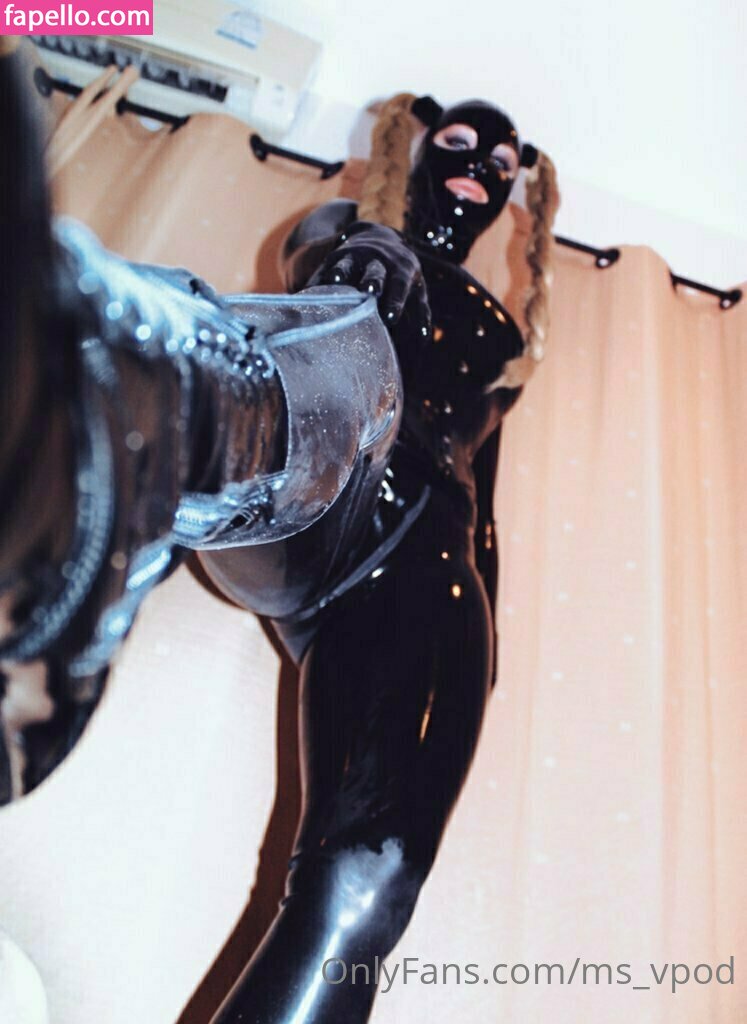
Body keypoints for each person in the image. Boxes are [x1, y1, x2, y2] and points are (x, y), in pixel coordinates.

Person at [1, 39, 559, 1024]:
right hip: (323, 477)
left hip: (423, 569)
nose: (481, 166)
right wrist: (374, 264)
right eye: (462, 143)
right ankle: (93, 411)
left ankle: (104, 412)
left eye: (503, 163)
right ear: (416, 147)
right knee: (355, 328)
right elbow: (326, 314)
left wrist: (485, 637)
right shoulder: (345, 229)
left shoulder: (504, 337)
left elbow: (483, 490)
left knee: (369, 882)